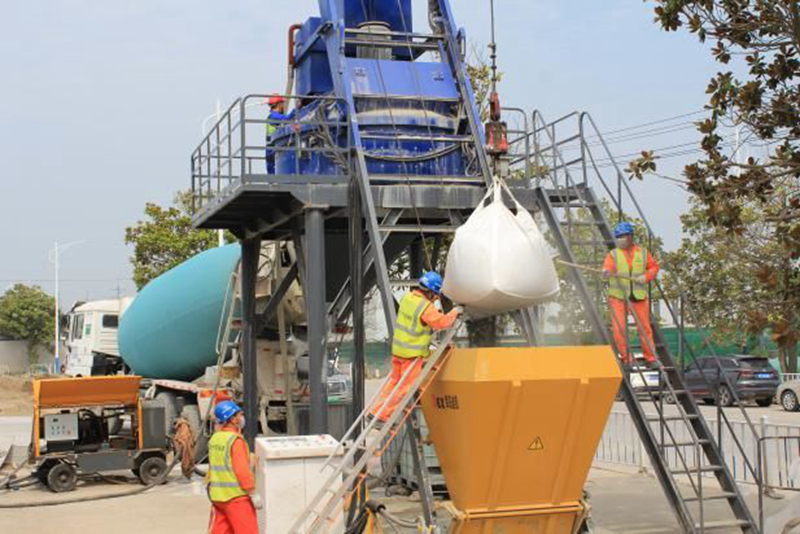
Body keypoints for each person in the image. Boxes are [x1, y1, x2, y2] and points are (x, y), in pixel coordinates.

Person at [370, 271, 461, 424]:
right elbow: (442, 322)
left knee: (394, 383)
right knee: (406, 388)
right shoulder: (425, 307)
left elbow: (418, 320)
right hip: (411, 354)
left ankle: (376, 411)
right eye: (436, 295)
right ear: (431, 291)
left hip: (398, 350)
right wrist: (455, 312)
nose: (436, 298)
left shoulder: (407, 298)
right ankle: (383, 416)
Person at [602, 222, 660, 367]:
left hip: (638, 297)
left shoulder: (643, 253)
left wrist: (645, 277)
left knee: (645, 329)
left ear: (630, 236)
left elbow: (654, 267)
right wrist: (606, 272)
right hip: (618, 297)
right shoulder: (613, 254)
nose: (620, 239)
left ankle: (650, 358)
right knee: (619, 329)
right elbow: (607, 267)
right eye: (618, 237)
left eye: (623, 236)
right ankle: (627, 358)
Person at [207, 401, 260, 534]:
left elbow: (220, 464)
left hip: (218, 497)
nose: (242, 418)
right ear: (232, 419)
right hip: (236, 498)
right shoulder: (235, 441)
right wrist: (253, 493)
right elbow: (242, 471)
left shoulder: (215, 439)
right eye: (240, 415)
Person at [265, 94, 289, 174]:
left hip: (271, 148)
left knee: (272, 173)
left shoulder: (273, 116)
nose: (283, 105)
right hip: (272, 148)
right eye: (282, 103)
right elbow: (287, 119)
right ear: (278, 104)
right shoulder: (274, 116)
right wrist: (296, 110)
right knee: (272, 173)